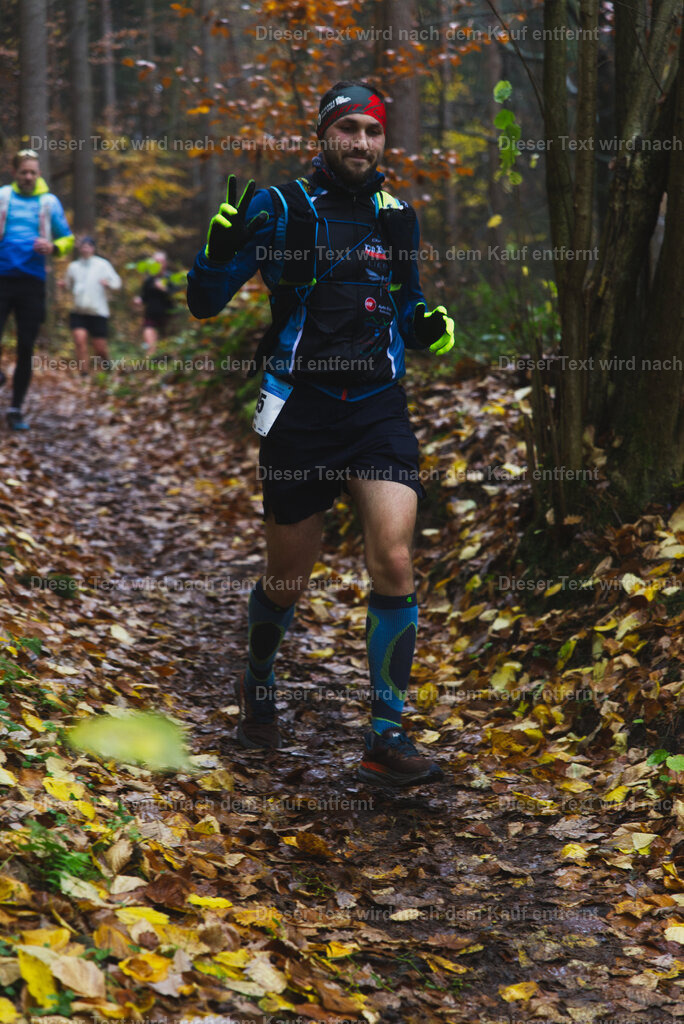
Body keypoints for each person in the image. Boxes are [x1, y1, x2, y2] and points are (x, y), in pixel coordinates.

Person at [187, 80, 455, 788]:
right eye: (348, 130)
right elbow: (204, 304)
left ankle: (385, 735)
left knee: (394, 560)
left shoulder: (399, 217)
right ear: (323, 136)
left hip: (375, 410)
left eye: (372, 130)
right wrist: (216, 252)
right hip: (300, 414)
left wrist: (432, 328)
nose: (361, 142)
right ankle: (259, 677)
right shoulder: (278, 209)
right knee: (286, 581)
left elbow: (411, 304)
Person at [0, 148, 73, 430]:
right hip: (2, 278)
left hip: (32, 283)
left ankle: (16, 408)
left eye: (33, 172)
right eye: (23, 172)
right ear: (14, 172)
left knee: (26, 347)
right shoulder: (4, 197)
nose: (28, 177)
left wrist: (53, 247)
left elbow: (67, 238)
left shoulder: (49, 203)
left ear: (39, 173)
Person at [62, 236, 121, 375]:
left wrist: (109, 284)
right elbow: (68, 284)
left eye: (88, 246)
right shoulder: (73, 266)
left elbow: (117, 282)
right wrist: (63, 286)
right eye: (83, 246)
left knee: (100, 348)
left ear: (93, 248)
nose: (85, 248)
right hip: (79, 311)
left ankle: (108, 368)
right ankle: (84, 374)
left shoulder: (102, 265)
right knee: (79, 340)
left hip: (98, 312)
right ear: (80, 248)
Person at [135, 251, 174, 355]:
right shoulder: (149, 280)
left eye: (161, 262)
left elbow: (177, 297)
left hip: (168, 318)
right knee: (151, 347)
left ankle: (165, 367)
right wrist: (139, 300)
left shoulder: (171, 278)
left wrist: (164, 289)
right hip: (150, 316)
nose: (158, 264)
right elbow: (144, 297)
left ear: (165, 263)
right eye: (156, 262)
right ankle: (149, 368)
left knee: (166, 349)